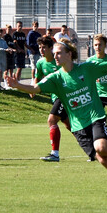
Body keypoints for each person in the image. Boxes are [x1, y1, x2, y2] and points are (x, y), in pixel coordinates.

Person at [10, 39, 107, 198]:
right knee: (103, 159)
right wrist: (17, 85)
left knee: (101, 147)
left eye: (59, 53)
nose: (55, 56)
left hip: (95, 116)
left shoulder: (86, 68)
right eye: (54, 54)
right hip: (78, 125)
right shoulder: (56, 78)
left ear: (69, 54)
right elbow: (35, 88)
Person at [34, 35, 74, 163]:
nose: (41, 50)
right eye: (40, 47)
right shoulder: (40, 62)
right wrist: (34, 88)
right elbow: (38, 77)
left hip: (63, 96)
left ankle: (55, 154)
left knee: (51, 120)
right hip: (55, 97)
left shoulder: (59, 61)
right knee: (71, 126)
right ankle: (91, 147)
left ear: (51, 48)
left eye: (44, 47)